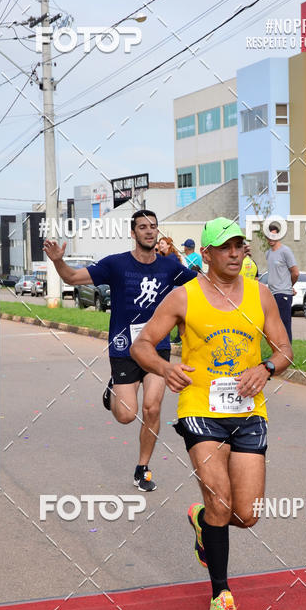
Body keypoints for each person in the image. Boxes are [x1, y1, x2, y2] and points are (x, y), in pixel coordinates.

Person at [131, 217, 292, 610]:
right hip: (200, 410)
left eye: (240, 245)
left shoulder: (261, 296)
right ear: (207, 254)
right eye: (226, 247)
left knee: (248, 513)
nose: (236, 253)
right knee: (220, 500)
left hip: (249, 412)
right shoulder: (184, 298)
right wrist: (165, 369)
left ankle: (202, 522)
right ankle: (221, 595)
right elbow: (142, 345)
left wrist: (267, 368)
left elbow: (284, 350)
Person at [43, 210, 196, 491]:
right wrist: (58, 261)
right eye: (143, 227)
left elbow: (201, 287)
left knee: (152, 408)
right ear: (133, 232)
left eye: (153, 226)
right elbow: (73, 278)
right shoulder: (115, 264)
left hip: (156, 348)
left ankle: (143, 468)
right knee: (126, 415)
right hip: (124, 348)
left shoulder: (169, 267)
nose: (149, 231)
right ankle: (114, 387)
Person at [264, 222, 299, 342]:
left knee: (284, 324)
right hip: (272, 294)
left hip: (283, 294)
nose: (271, 238)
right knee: (274, 325)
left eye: (273, 235)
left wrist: (289, 286)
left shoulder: (285, 251)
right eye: (268, 236)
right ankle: (278, 352)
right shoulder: (268, 253)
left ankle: (287, 355)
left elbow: (295, 272)